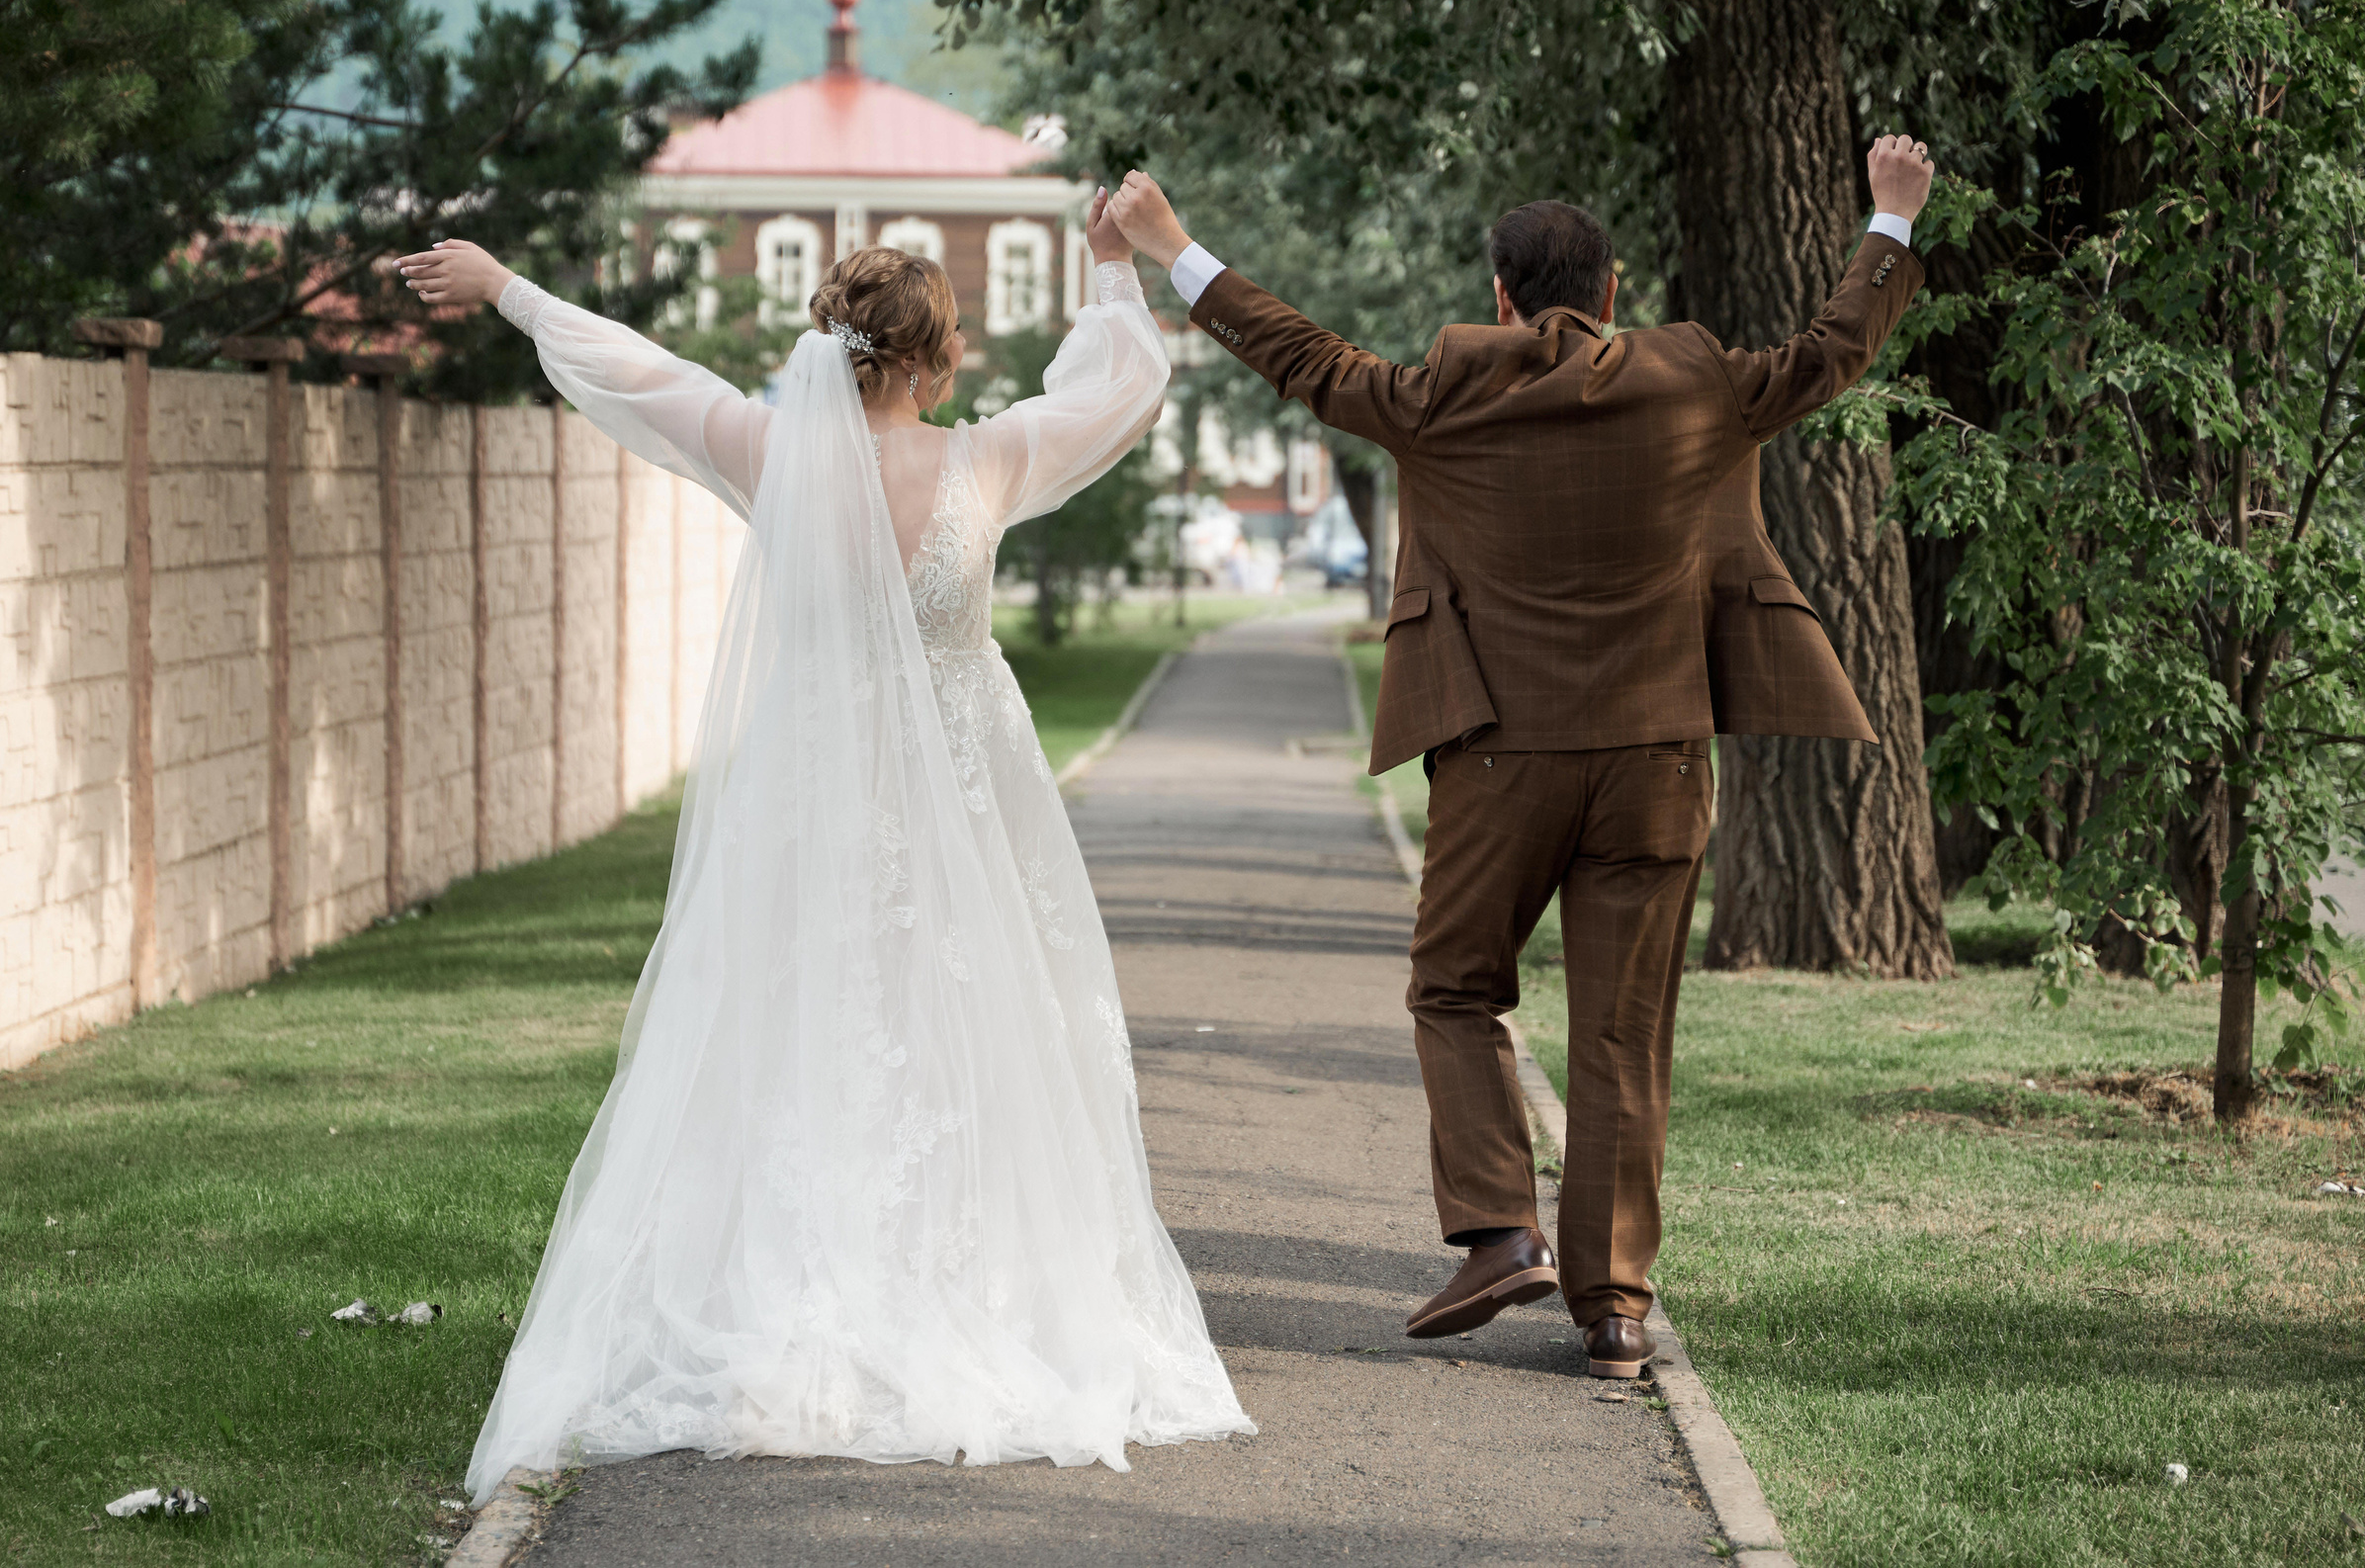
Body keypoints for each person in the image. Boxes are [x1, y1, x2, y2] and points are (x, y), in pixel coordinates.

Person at [395, 190, 1254, 1505]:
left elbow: (635, 371)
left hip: (818, 790)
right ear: (937, 356)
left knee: (804, 1025)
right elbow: (1119, 391)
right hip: (966, 801)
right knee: (967, 1030)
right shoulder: (997, 455)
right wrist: (1103, 264)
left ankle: (796, 1289)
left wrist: (505, 283)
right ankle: (971, 1292)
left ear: (833, 344)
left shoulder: (766, 448)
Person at [1103, 136, 1935, 1379]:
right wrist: (1889, 216)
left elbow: (1304, 357)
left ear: (1500, 296)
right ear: (1611, 292)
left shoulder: (1449, 388)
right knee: (1619, 1030)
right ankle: (1613, 1312)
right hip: (1657, 761)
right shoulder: (1697, 378)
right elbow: (1832, 351)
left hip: (1499, 760)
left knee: (1453, 987)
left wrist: (1174, 249)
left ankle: (1499, 1234)